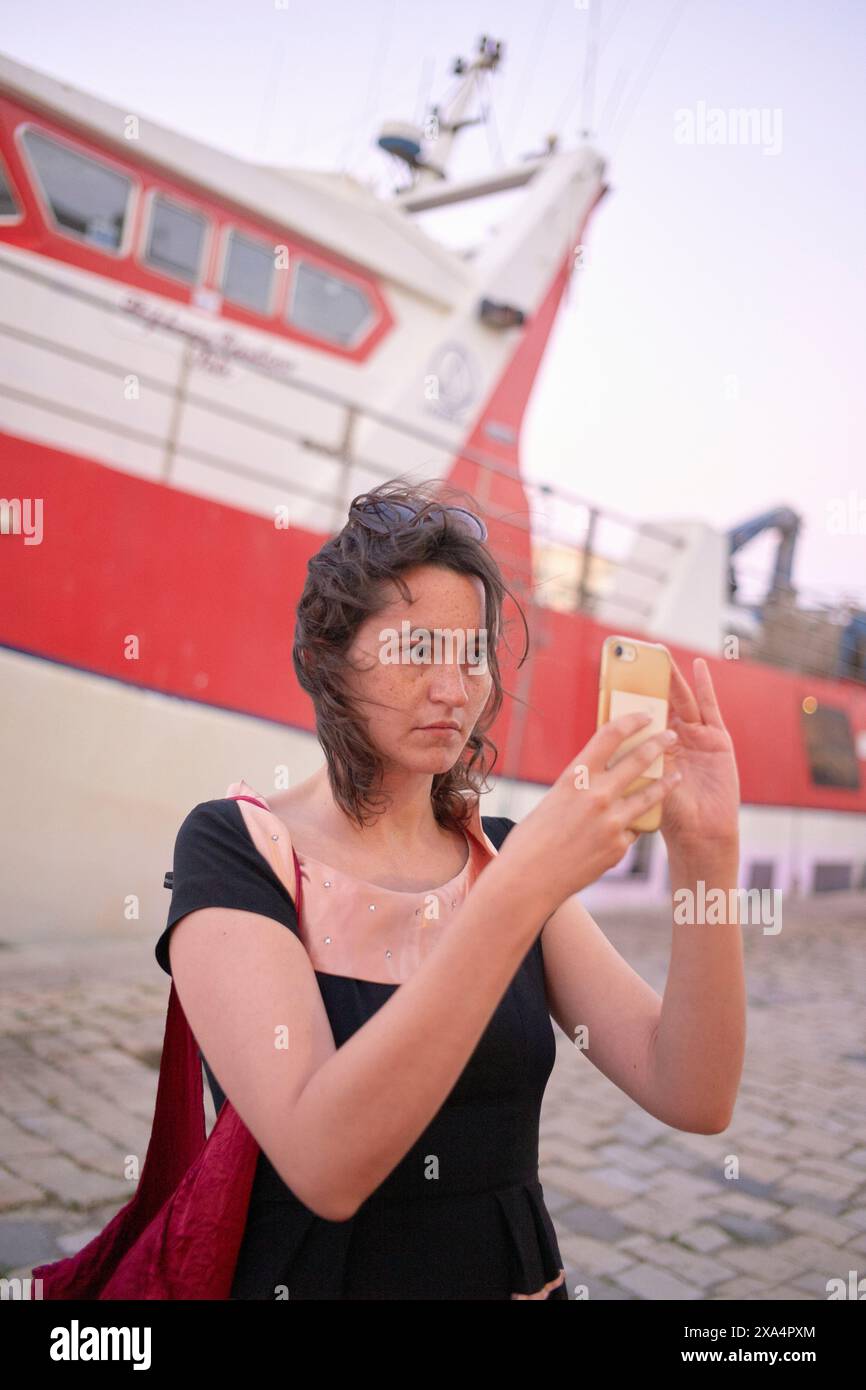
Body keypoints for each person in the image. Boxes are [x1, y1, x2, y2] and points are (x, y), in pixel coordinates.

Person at [156, 478, 745, 1300]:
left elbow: (691, 1091)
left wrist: (708, 855)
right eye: (414, 650)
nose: (454, 687)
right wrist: (521, 890)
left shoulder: (501, 858)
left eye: (472, 654)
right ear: (327, 659)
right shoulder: (237, 848)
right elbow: (325, 1167)